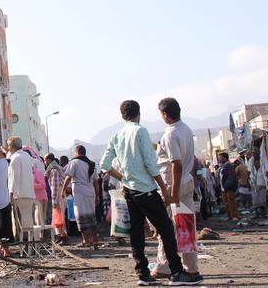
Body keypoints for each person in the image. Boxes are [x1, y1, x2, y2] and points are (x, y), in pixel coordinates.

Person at [100, 100, 203, 286]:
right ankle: (177, 272)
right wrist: (163, 187)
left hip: (130, 190)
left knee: (137, 232)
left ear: (122, 115)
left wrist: (122, 178)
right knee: (166, 229)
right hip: (146, 189)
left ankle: (143, 274)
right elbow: (150, 163)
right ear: (138, 113)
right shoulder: (141, 131)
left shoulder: (117, 135)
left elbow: (104, 165)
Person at [152, 97, 200, 281]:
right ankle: (189, 268)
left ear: (165, 114)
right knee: (185, 226)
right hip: (185, 182)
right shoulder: (185, 129)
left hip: (174, 184)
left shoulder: (171, 134)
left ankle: (165, 266)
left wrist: (172, 193)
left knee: (167, 226)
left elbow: (176, 164)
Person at [61, 145, 100, 248]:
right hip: (90, 192)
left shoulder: (74, 162)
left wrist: (63, 189)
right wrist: (97, 196)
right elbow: (96, 182)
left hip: (79, 193)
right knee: (92, 216)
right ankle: (95, 240)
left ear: (77, 152)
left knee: (81, 217)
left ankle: (85, 240)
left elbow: (68, 177)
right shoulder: (91, 164)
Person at [6, 137, 35, 241]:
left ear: (12, 146)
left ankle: (24, 243)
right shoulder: (27, 156)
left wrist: (11, 193)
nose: (8, 148)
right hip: (30, 193)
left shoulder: (15, 158)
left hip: (19, 194)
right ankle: (31, 242)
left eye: (8, 145)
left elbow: (14, 177)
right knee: (29, 220)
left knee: (20, 221)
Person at [45, 153, 68, 244]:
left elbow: (55, 186)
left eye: (45, 160)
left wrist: (54, 200)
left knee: (60, 216)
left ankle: (63, 236)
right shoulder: (56, 167)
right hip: (59, 194)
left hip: (58, 194)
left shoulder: (54, 170)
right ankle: (60, 236)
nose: (44, 162)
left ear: (49, 160)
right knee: (58, 216)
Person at [23, 146, 48, 227]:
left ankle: (40, 234)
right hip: (30, 196)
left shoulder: (37, 168)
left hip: (39, 196)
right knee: (34, 216)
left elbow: (42, 184)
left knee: (39, 216)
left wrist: (30, 185)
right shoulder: (26, 171)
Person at [248, 149, 268, 218]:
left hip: (262, 180)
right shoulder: (251, 161)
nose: (255, 155)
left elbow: (267, 170)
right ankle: (256, 212)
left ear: (259, 153)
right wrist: (247, 182)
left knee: (262, 197)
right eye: (254, 153)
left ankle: (263, 212)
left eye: (256, 153)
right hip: (254, 181)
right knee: (255, 197)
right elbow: (249, 171)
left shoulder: (263, 159)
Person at [217, 153, 239, 220]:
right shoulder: (222, 167)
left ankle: (234, 216)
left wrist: (227, 186)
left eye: (220, 157)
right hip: (223, 188)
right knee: (226, 203)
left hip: (229, 188)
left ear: (225, 158)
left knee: (231, 202)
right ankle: (229, 216)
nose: (219, 159)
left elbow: (231, 178)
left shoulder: (229, 166)